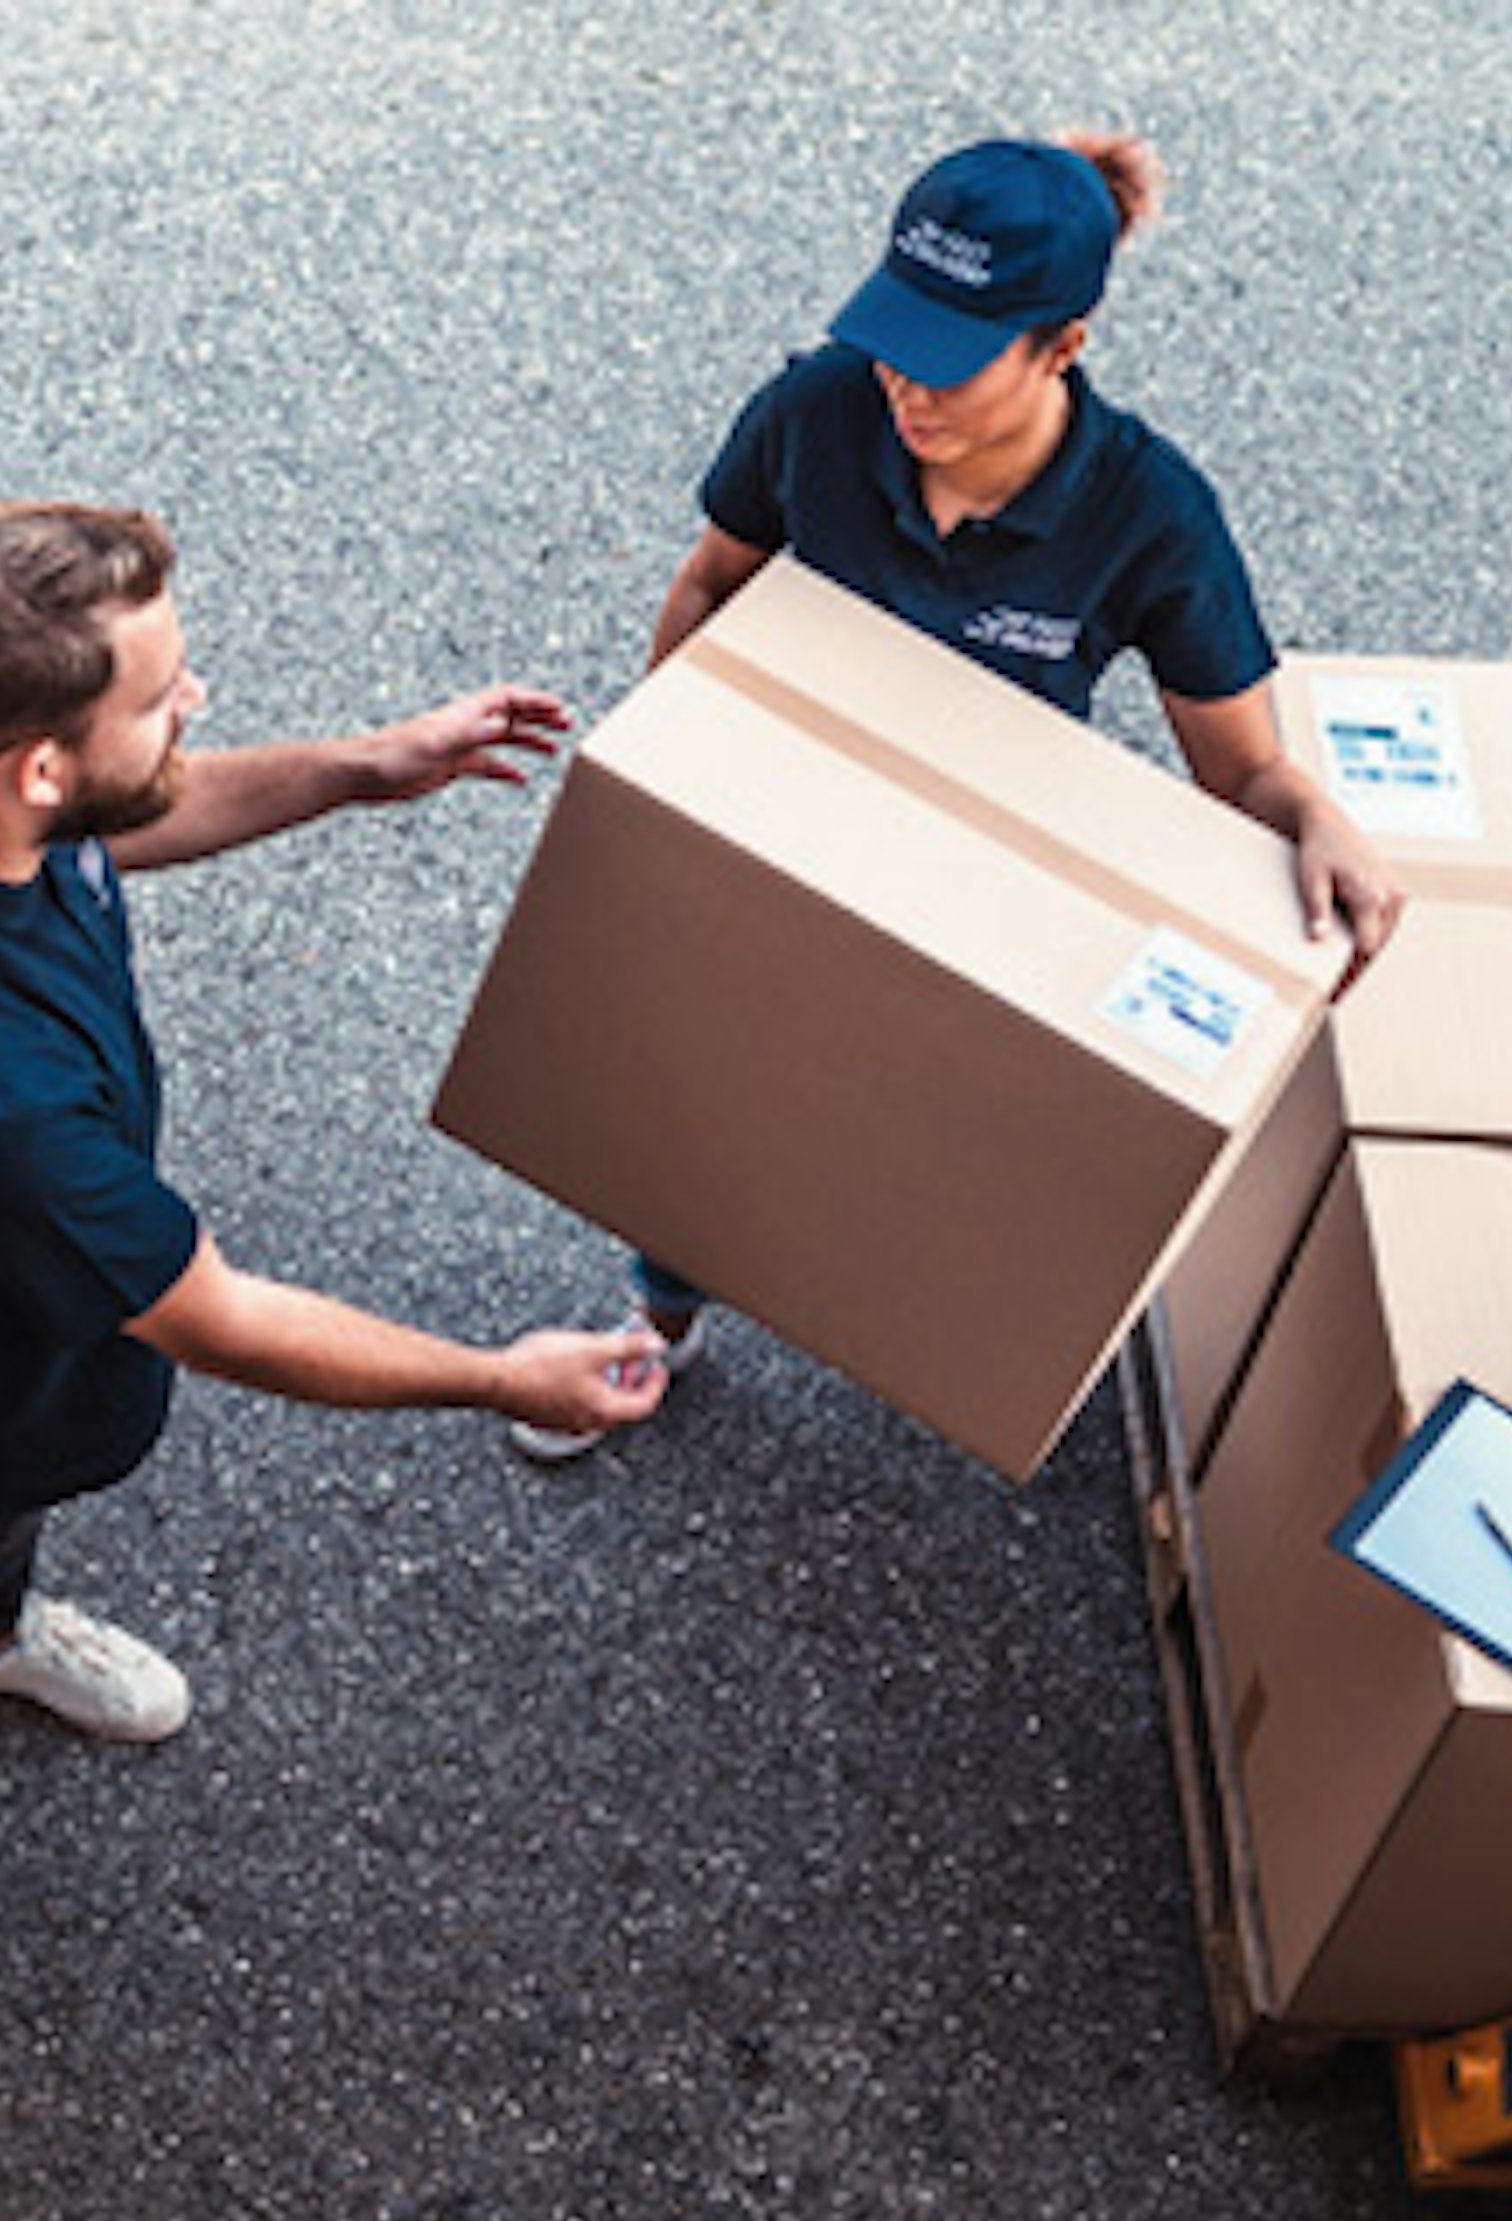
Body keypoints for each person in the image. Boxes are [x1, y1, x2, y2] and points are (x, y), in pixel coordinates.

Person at [0, 501, 666, 1973]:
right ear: (43, 761)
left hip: (30, 1341)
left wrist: (361, 766)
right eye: (162, 693)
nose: (196, 700)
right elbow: (219, 1318)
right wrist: (506, 1380)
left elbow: (123, 820)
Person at [511, 130, 1405, 1462]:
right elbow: (712, 582)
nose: (904, 384)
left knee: (939, 1125)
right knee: (717, 1091)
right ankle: (663, 1309)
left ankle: (956, 1337)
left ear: (1063, 347)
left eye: (954, 354)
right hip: (793, 824)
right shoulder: (818, 410)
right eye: (895, 331)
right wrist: (669, 769)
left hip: (989, 872)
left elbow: (1244, 772)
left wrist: (1319, 823)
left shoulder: (1154, 516)